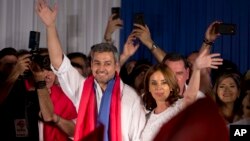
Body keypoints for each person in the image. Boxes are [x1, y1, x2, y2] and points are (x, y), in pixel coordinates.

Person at [36, 1, 145, 141]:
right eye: (97, 63)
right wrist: (50, 26)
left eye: (107, 64)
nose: (101, 68)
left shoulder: (131, 97)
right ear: (91, 65)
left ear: (116, 66)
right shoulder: (82, 88)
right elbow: (59, 62)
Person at [140, 47, 223, 141]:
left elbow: (190, 97)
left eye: (164, 82)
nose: (159, 88)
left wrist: (197, 69)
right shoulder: (145, 115)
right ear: (148, 87)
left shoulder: (179, 106)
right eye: (154, 83)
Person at [132, 21, 221, 98]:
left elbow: (201, 71)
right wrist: (149, 42)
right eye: (190, 64)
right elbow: (171, 64)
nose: (193, 68)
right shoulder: (154, 97)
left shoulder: (199, 94)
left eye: (197, 65)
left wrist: (208, 42)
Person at [31, 49, 77, 141]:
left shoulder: (66, 96)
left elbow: (75, 132)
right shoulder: (24, 93)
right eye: (43, 70)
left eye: (51, 70)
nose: (48, 76)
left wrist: (56, 119)